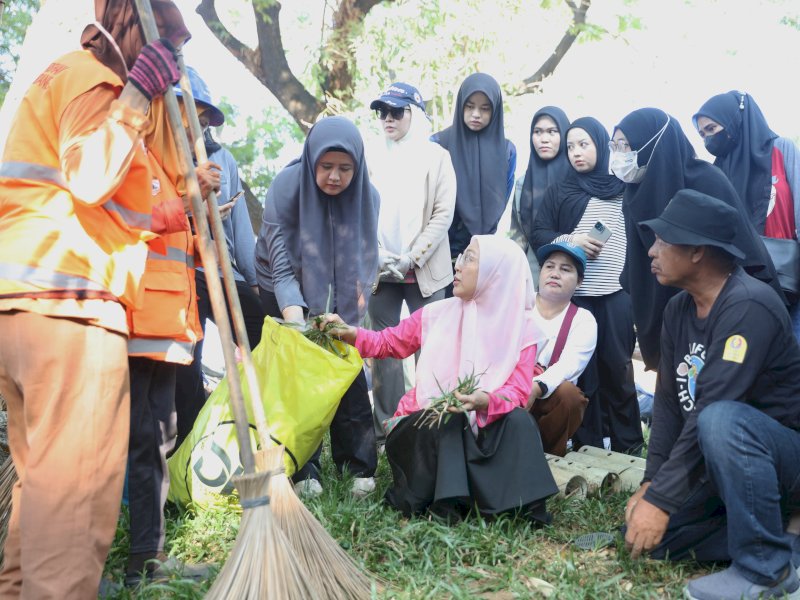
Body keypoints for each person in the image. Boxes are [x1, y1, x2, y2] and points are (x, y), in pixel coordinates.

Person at [0, 2, 188, 597]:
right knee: (77, 496)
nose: (173, 63)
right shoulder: (99, 83)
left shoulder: (57, 77)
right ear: (136, 32)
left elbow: (121, 198)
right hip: (72, 305)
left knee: (44, 488)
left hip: (24, 308)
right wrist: (136, 93)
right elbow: (88, 175)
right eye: (171, 48)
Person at [623, 189, 800, 600]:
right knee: (657, 539)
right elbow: (667, 405)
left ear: (698, 250)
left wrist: (662, 500)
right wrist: (652, 485)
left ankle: (766, 571)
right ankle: (777, 539)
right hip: (731, 467)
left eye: (664, 241)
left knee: (720, 419)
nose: (652, 251)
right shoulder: (678, 310)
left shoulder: (749, 305)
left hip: (784, 461)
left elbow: (711, 408)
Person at [315, 235, 557, 522]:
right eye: (462, 256)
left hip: (480, 423)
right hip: (423, 426)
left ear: (496, 273)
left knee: (518, 421)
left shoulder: (523, 329)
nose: (458, 265)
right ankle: (446, 505)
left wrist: (484, 401)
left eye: (470, 258)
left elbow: (516, 392)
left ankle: (517, 504)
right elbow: (386, 343)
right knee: (450, 418)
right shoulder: (435, 314)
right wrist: (349, 332)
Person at [255, 116, 380, 498]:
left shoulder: (368, 196)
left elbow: (363, 264)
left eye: (345, 168)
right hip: (281, 284)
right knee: (299, 373)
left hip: (339, 292)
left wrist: (347, 322)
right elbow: (280, 267)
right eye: (326, 167)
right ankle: (304, 467)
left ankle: (357, 464)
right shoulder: (286, 186)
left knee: (346, 365)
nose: (335, 177)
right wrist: (299, 324)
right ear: (312, 162)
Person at [611, 107, 782, 371]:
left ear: (652, 142)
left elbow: (739, 252)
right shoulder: (634, 191)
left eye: (626, 145)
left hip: (722, 312)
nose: (619, 154)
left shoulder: (705, 181)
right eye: (615, 145)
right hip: (666, 312)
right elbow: (636, 262)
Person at [532, 116, 643, 454]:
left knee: (618, 370)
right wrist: (572, 239)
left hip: (616, 294)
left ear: (600, 144)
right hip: (577, 297)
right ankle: (587, 445)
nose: (576, 153)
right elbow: (539, 235)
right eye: (570, 147)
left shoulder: (624, 185)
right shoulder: (561, 190)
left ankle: (629, 446)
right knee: (584, 377)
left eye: (584, 144)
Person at [173, 66, 264, 449]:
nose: (197, 120)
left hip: (221, 269)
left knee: (261, 332)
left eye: (203, 114)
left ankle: (261, 428)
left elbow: (240, 225)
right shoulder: (156, 152)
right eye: (188, 109)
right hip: (179, 272)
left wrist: (255, 281)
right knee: (185, 366)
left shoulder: (221, 157)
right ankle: (188, 449)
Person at [366, 82, 456, 446]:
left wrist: (411, 257)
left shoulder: (437, 157)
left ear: (414, 114)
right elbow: (360, 211)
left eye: (396, 111)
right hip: (380, 272)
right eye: (382, 112)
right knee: (382, 350)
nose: (388, 118)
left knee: (431, 349)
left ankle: (428, 428)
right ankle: (386, 431)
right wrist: (376, 253)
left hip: (426, 270)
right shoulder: (370, 155)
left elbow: (443, 214)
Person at [693, 90, 800, 337]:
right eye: (703, 134)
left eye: (712, 128)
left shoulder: (779, 149)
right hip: (741, 280)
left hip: (789, 275)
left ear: (734, 120)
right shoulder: (715, 172)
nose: (708, 139)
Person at [433, 73, 516, 294]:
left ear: (495, 111)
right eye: (469, 106)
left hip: (482, 256)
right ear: (460, 106)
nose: (476, 114)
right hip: (438, 257)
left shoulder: (506, 151)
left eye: (485, 108)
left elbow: (502, 199)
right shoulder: (438, 144)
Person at [529, 241, 597, 457]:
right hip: (507, 390)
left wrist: (535, 388)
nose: (555, 274)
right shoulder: (519, 303)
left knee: (570, 395)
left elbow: (570, 365)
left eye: (565, 269)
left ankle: (548, 456)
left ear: (579, 282)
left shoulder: (583, 320)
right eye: (549, 266)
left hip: (544, 398)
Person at [510, 106, 572, 281]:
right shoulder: (523, 184)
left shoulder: (578, 179)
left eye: (552, 132)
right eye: (538, 132)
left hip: (578, 273)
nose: (544, 139)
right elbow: (518, 236)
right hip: (532, 274)